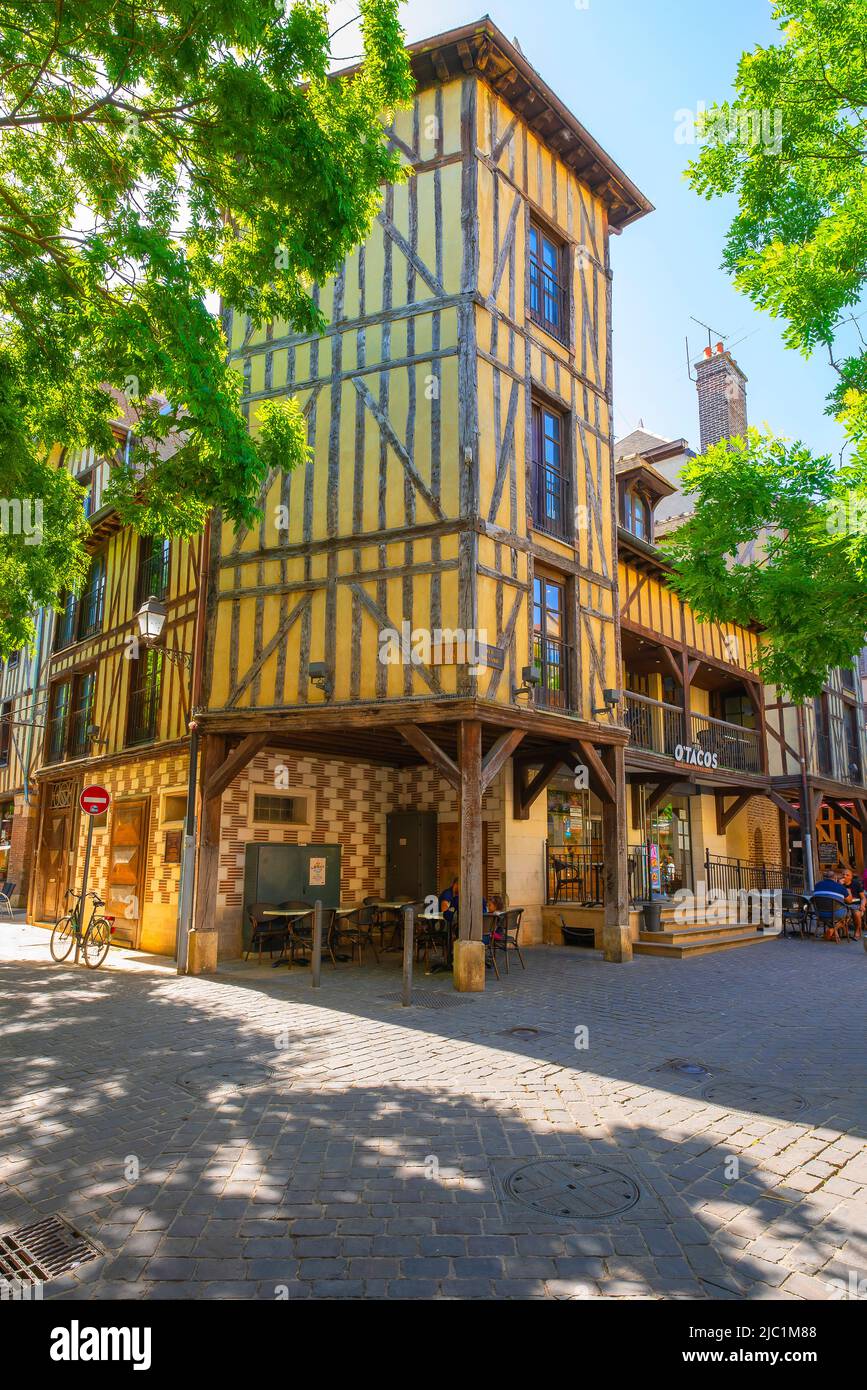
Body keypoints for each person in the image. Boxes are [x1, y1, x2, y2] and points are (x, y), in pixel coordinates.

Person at [812, 868, 849, 940]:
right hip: (836, 913)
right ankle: (832, 929)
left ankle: (833, 933)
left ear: (824, 878)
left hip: (820, 913)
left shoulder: (817, 885)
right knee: (848, 915)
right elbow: (849, 900)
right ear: (835, 878)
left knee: (829, 916)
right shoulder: (840, 886)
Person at [839, 867, 863, 938]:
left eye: (847, 875)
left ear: (851, 877)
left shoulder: (856, 884)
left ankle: (857, 930)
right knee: (839, 914)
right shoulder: (839, 884)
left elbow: (863, 897)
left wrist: (863, 905)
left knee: (857, 914)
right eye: (843, 874)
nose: (844, 876)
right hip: (843, 904)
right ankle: (843, 931)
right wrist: (840, 885)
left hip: (855, 904)